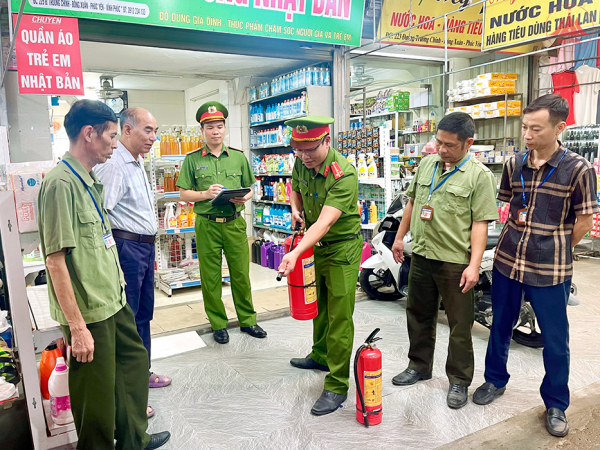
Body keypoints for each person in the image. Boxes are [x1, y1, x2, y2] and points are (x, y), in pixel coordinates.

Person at [38, 100, 170, 450]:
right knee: (95, 399)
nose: (115, 143)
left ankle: (133, 440)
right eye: (111, 135)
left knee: (133, 363)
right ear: (89, 133)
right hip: (90, 310)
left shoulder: (89, 181)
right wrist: (77, 328)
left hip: (113, 298)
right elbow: (55, 261)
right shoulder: (60, 184)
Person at [473, 94, 598, 437]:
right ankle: (494, 380)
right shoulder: (514, 165)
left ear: (560, 128)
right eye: (524, 127)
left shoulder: (579, 169)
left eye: (535, 128)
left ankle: (556, 403)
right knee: (500, 325)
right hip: (508, 261)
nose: (527, 134)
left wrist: (558, 247)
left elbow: (584, 221)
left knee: (556, 339)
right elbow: (508, 205)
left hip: (550, 269)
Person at [390, 112, 499, 409]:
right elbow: (413, 202)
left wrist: (474, 265)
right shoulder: (427, 164)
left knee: (459, 325)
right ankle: (419, 366)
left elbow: (480, 223)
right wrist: (400, 238)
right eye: (439, 142)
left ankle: (459, 381)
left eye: (449, 145)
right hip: (422, 254)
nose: (442, 149)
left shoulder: (480, 176)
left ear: (468, 143)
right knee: (418, 314)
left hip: (455, 262)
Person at [278, 116, 362, 416]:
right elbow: (294, 187)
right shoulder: (302, 161)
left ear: (327, 140)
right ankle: (321, 354)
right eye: (298, 150)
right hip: (315, 247)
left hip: (341, 249)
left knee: (339, 316)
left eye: (310, 149)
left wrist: (297, 250)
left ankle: (337, 385)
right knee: (318, 304)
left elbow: (325, 222)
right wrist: (295, 209)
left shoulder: (344, 174)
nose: (304, 156)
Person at [95, 108, 171, 421]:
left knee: (142, 316)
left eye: (155, 131)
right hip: (127, 248)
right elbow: (102, 214)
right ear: (127, 130)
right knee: (128, 321)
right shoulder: (114, 164)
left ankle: (143, 374)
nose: (153, 137)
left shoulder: (136, 161)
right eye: (147, 130)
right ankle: (130, 392)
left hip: (143, 248)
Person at [177, 101, 266, 344]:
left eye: (219, 126)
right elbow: (184, 193)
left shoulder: (237, 157)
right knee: (211, 276)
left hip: (234, 222)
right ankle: (218, 323)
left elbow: (250, 187)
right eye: (210, 127)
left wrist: (244, 196)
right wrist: (205, 194)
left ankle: (248, 320)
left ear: (225, 128)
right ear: (202, 131)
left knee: (240, 274)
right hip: (207, 224)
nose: (215, 131)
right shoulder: (192, 160)